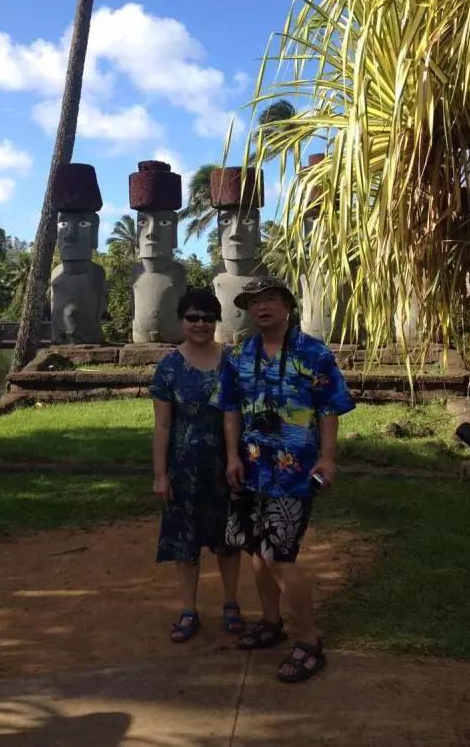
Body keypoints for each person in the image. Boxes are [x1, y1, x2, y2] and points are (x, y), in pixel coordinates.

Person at [219, 276, 355, 682]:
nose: (262, 307)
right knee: (256, 551)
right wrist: (231, 457)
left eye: (271, 300)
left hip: (294, 471)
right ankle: (271, 622)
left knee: (281, 554)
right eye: (255, 301)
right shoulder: (241, 355)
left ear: (287, 307)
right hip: (251, 466)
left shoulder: (312, 354)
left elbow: (329, 408)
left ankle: (310, 641)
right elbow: (231, 409)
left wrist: (327, 458)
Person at [150, 288, 244, 643]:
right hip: (183, 466)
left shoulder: (231, 362)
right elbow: (162, 425)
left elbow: (233, 414)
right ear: (182, 321)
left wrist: (234, 457)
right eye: (193, 317)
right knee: (185, 542)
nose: (200, 324)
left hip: (224, 464)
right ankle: (188, 608)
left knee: (228, 540)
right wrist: (160, 473)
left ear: (217, 320)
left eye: (207, 317)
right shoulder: (170, 366)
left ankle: (231, 603)